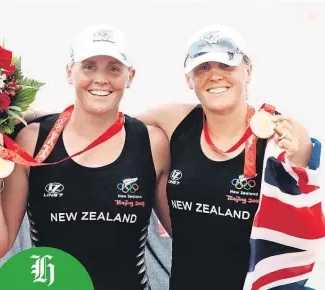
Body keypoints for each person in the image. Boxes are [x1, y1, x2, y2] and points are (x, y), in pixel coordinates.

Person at [0, 24, 171, 290]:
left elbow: (188, 235)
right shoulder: (32, 141)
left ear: (130, 76)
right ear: (69, 72)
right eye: (88, 66)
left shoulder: (152, 143)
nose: (101, 78)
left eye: (113, 68)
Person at [136, 26, 322, 290]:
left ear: (248, 71)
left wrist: (296, 163)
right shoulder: (173, 121)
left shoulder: (282, 134)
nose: (214, 76)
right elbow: (111, 131)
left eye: (226, 65)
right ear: (189, 79)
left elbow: (305, 232)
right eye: (203, 68)